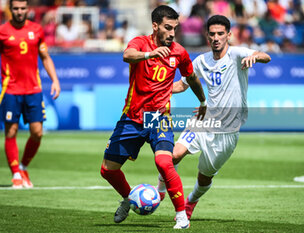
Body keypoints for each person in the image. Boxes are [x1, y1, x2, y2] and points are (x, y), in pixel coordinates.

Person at [100, 5, 206, 229]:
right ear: (155, 26)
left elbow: (192, 78)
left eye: (175, 28)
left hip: (159, 118)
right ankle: (130, 198)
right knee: (107, 170)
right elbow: (126, 55)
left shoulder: (179, 52)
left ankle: (181, 216)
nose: (172, 33)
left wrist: (203, 101)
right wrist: (150, 53)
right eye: (168, 28)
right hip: (132, 117)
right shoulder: (140, 43)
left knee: (163, 161)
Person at [157, 15, 271, 220]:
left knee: (204, 177)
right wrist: (158, 88)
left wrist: (255, 57)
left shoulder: (237, 54)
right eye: (212, 34)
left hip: (227, 131)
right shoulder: (201, 61)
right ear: (207, 36)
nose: (216, 38)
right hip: (204, 120)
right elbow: (183, 84)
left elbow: (265, 56)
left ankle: (190, 201)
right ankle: (160, 192)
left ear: (228, 35)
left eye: (220, 34)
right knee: (173, 155)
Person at [0, 0, 60, 189]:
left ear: (28, 9)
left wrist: (55, 80)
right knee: (11, 131)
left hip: (33, 89)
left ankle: (24, 167)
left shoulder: (37, 30)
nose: (19, 12)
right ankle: (15, 173)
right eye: (16, 8)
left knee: (37, 132)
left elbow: (45, 57)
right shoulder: (2, 31)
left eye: (22, 8)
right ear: (11, 10)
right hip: (10, 89)